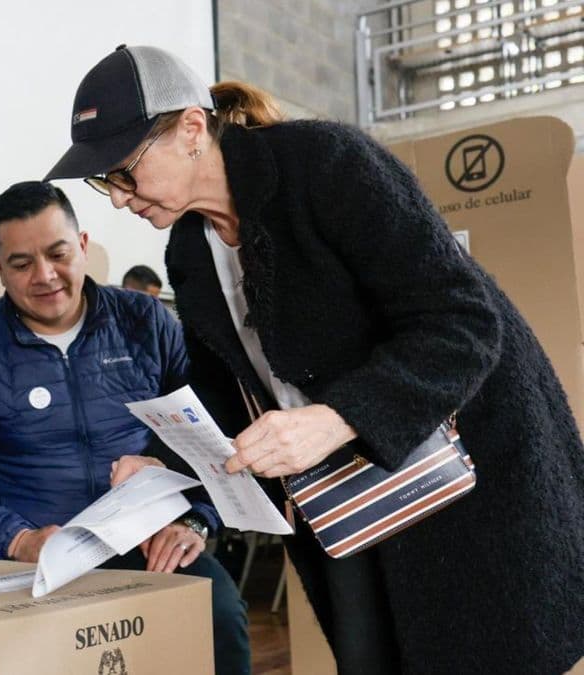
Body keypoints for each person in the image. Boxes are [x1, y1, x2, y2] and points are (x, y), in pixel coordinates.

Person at [46, 45, 584, 674]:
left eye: (126, 171)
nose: (118, 199)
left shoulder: (327, 165)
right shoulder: (190, 249)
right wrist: (162, 466)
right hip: (345, 496)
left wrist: (334, 419)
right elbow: (223, 387)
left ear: (192, 129)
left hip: (466, 477)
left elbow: (463, 324)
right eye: (104, 180)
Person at [0, 181, 250, 675]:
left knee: (218, 614)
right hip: (28, 560)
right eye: (21, 263)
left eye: (58, 253)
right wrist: (19, 540)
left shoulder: (146, 322)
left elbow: (206, 438)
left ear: (84, 246)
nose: (45, 276)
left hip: (145, 544)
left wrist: (195, 520)